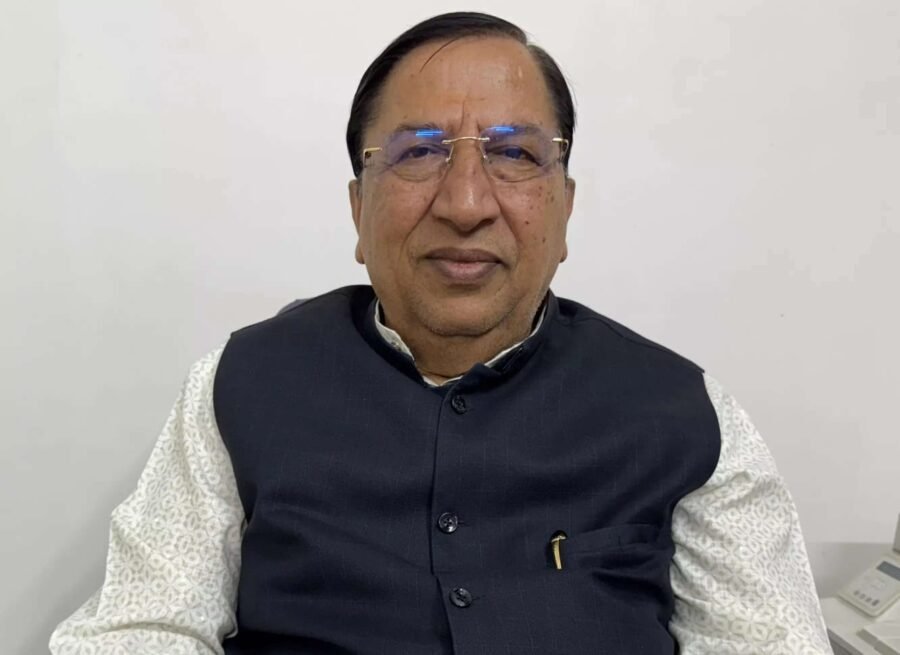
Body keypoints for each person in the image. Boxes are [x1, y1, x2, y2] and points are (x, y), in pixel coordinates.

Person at [50, 11, 833, 655]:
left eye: (514, 153)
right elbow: (141, 627)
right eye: (419, 152)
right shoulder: (242, 383)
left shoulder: (686, 414)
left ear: (564, 209)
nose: (465, 203)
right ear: (358, 210)